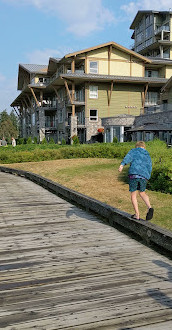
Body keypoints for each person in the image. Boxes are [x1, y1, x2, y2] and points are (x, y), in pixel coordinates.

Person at [118, 141, 154, 221]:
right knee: (142, 193)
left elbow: (128, 157)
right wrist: (147, 176)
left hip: (134, 174)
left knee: (133, 194)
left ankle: (137, 214)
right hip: (143, 176)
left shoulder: (134, 151)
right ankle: (149, 207)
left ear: (137, 146)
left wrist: (122, 165)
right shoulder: (147, 154)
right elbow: (149, 166)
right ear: (144, 147)